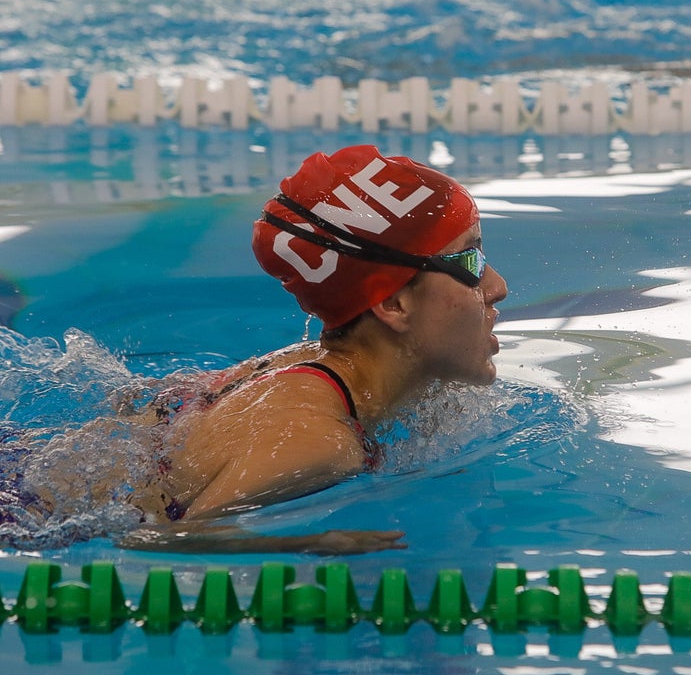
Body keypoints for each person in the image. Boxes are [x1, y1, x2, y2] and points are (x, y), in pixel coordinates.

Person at [17, 145, 508, 554]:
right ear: (393, 303)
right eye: (470, 260)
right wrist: (308, 543)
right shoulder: (317, 442)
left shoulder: (306, 370)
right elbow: (160, 539)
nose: (497, 285)